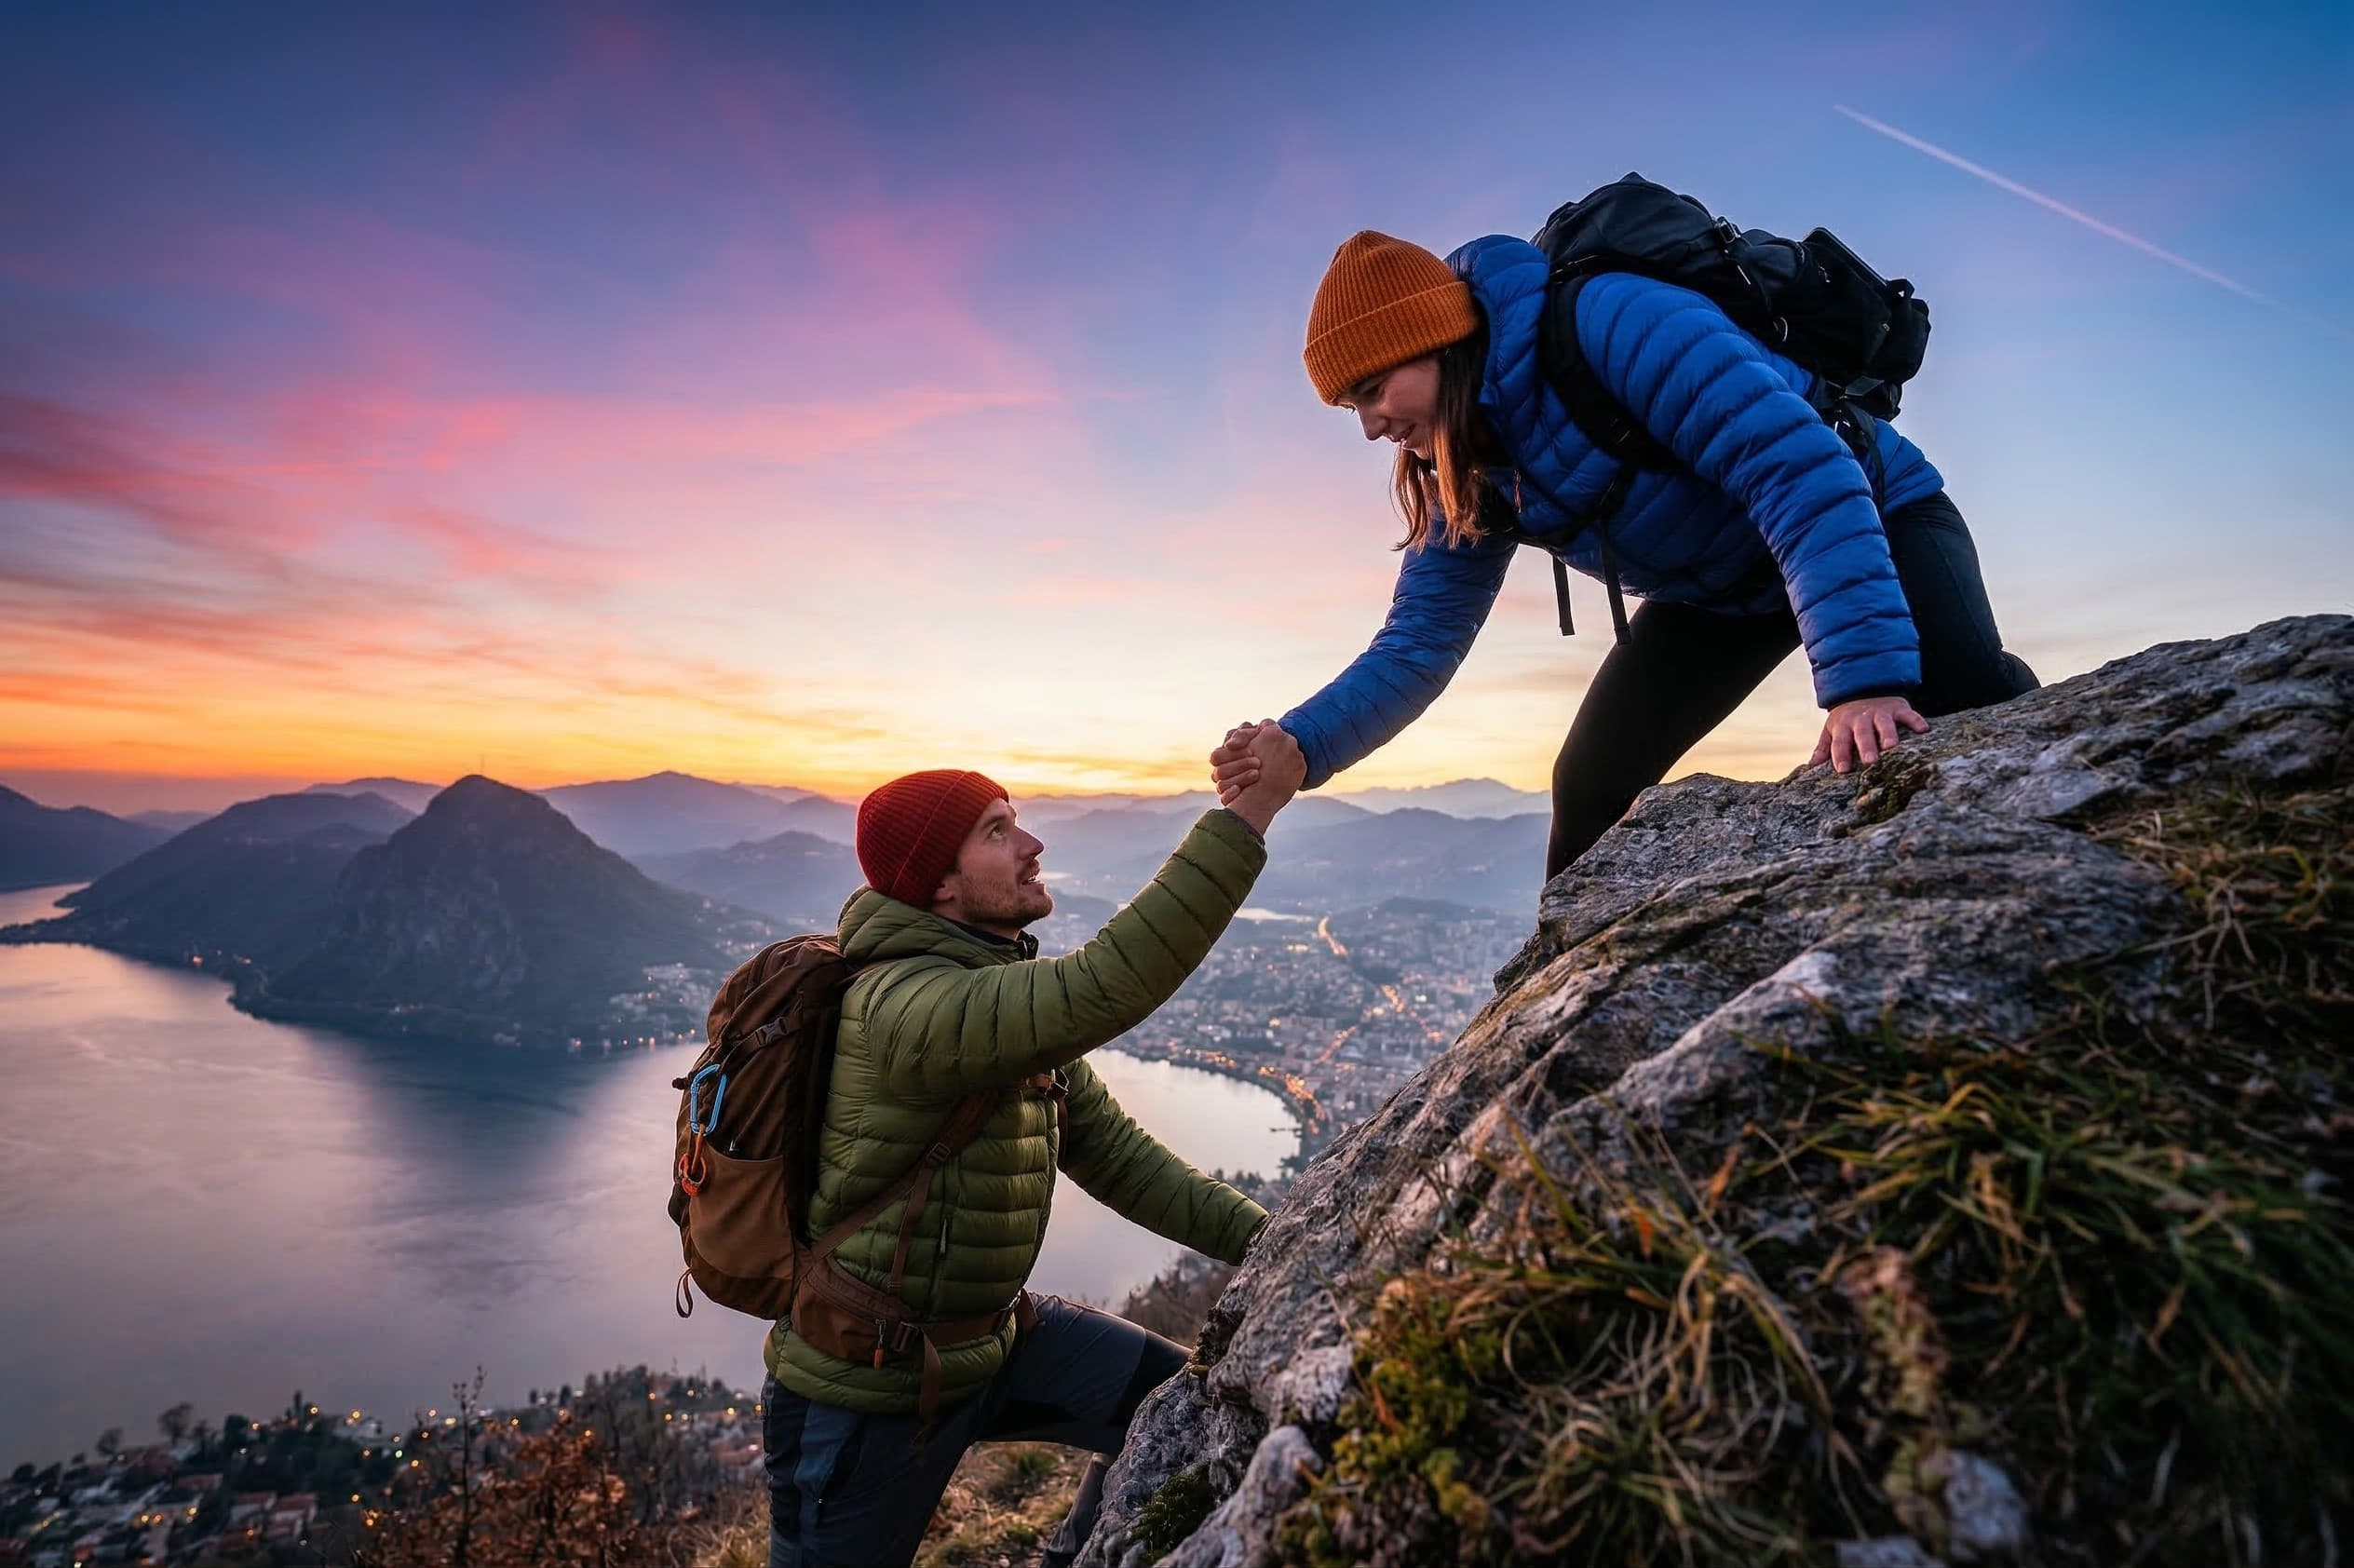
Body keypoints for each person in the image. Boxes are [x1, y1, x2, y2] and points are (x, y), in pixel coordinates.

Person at [1211, 227, 2038, 879]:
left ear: (1434, 343)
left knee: (1964, 705)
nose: (1369, 426)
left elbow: (1798, 468)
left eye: (1372, 390)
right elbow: (1417, 644)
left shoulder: (1610, 324)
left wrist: (1863, 682)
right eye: (1349, 405)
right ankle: (1559, 988)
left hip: (1872, 512)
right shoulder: (1457, 468)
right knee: (1593, 785)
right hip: (1722, 591)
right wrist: (1300, 746)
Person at [762, 735, 1303, 1568]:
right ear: (939, 881)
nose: (1032, 843)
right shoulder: (906, 1008)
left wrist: (1285, 1245)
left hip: (996, 1342)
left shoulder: (988, 996)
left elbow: (1119, 1158)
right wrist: (1250, 812)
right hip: (862, 1390)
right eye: (996, 830)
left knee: (1179, 1410)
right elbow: (1102, 984)